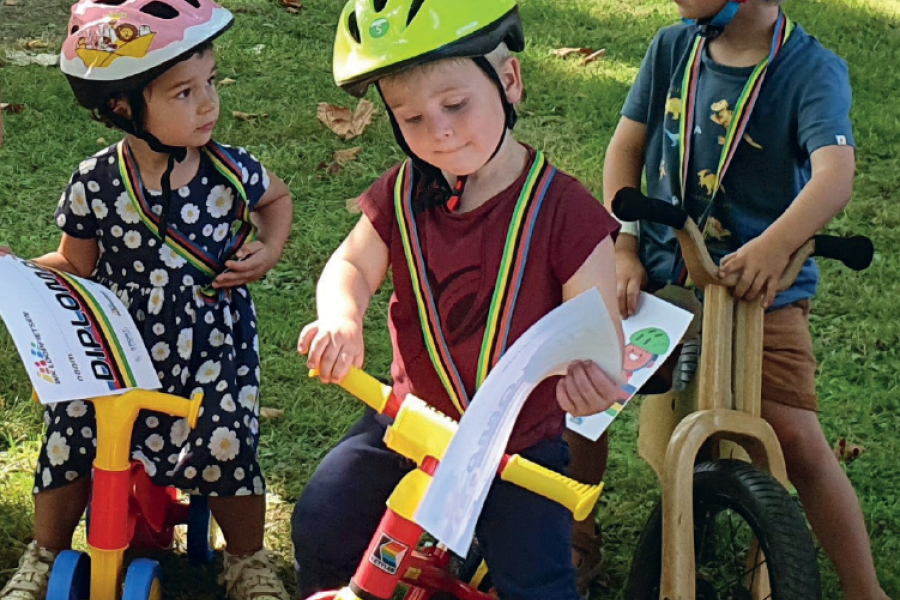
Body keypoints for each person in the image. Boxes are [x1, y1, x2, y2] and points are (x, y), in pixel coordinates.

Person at [290, 1, 624, 599]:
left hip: (513, 445)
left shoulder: (565, 212)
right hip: (409, 421)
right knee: (323, 521)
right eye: (412, 118)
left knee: (538, 582)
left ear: (510, 82)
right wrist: (340, 316)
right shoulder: (400, 194)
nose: (438, 131)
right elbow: (350, 265)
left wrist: (593, 375)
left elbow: (597, 334)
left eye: (456, 105)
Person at [588, 0, 891, 598]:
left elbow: (835, 174)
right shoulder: (672, 48)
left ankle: (864, 588)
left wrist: (777, 248)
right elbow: (625, 150)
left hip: (760, 295)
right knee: (584, 397)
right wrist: (623, 245)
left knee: (796, 437)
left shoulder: (809, 70)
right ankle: (572, 544)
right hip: (659, 277)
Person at [0, 1, 293, 599]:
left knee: (227, 436)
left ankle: (246, 561)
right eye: (183, 92)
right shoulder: (96, 182)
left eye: (210, 83)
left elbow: (277, 201)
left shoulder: (231, 172)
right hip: (121, 344)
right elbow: (74, 264)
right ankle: (45, 552)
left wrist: (269, 247)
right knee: (71, 431)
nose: (208, 103)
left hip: (211, 345)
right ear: (121, 106)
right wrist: (22, 274)